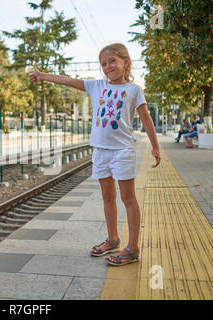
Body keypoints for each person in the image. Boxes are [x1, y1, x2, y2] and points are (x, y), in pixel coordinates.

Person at [29, 43, 161, 266]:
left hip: (122, 151)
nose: (108, 66)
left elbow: (146, 119)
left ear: (125, 61)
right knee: (107, 197)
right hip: (100, 151)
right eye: (103, 63)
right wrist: (42, 76)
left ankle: (133, 248)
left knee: (128, 198)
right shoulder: (95, 86)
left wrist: (156, 146)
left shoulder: (134, 90)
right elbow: (67, 80)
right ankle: (113, 239)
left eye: (112, 61)